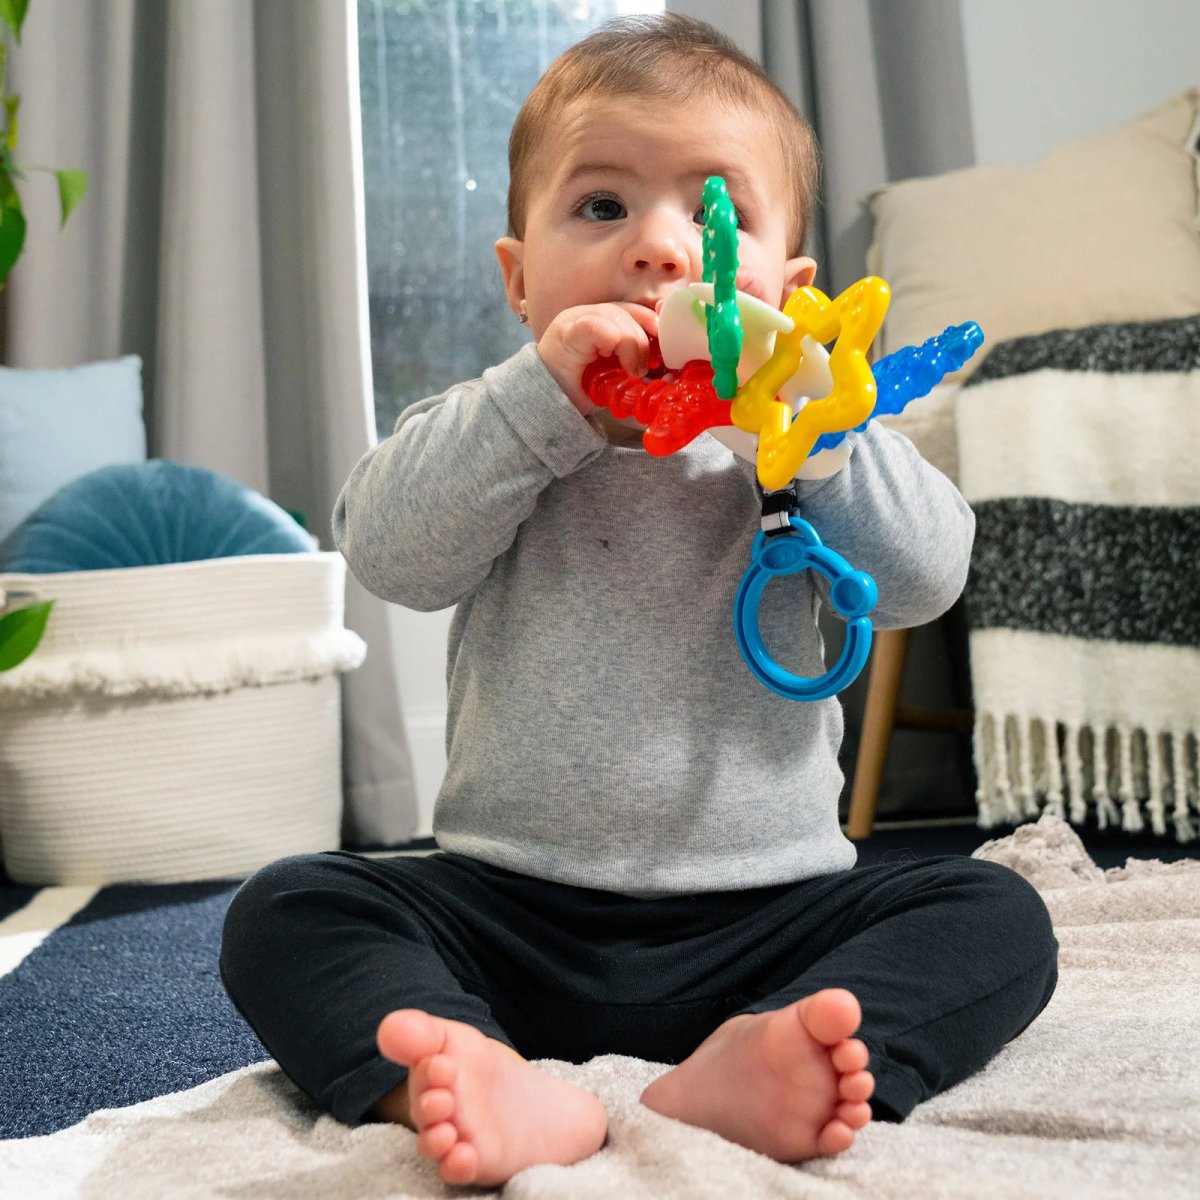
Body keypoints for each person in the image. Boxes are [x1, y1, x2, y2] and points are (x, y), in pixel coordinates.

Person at [220, 13, 1057, 1189]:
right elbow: (392, 556)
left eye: (717, 218)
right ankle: (465, 1067)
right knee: (286, 909)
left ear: (791, 286)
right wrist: (537, 404)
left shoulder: (809, 442)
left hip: (772, 920)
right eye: (602, 207)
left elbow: (928, 577)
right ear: (520, 282)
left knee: (997, 918)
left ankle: (767, 1059)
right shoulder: (500, 430)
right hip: (508, 912)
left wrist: (817, 430)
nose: (664, 252)